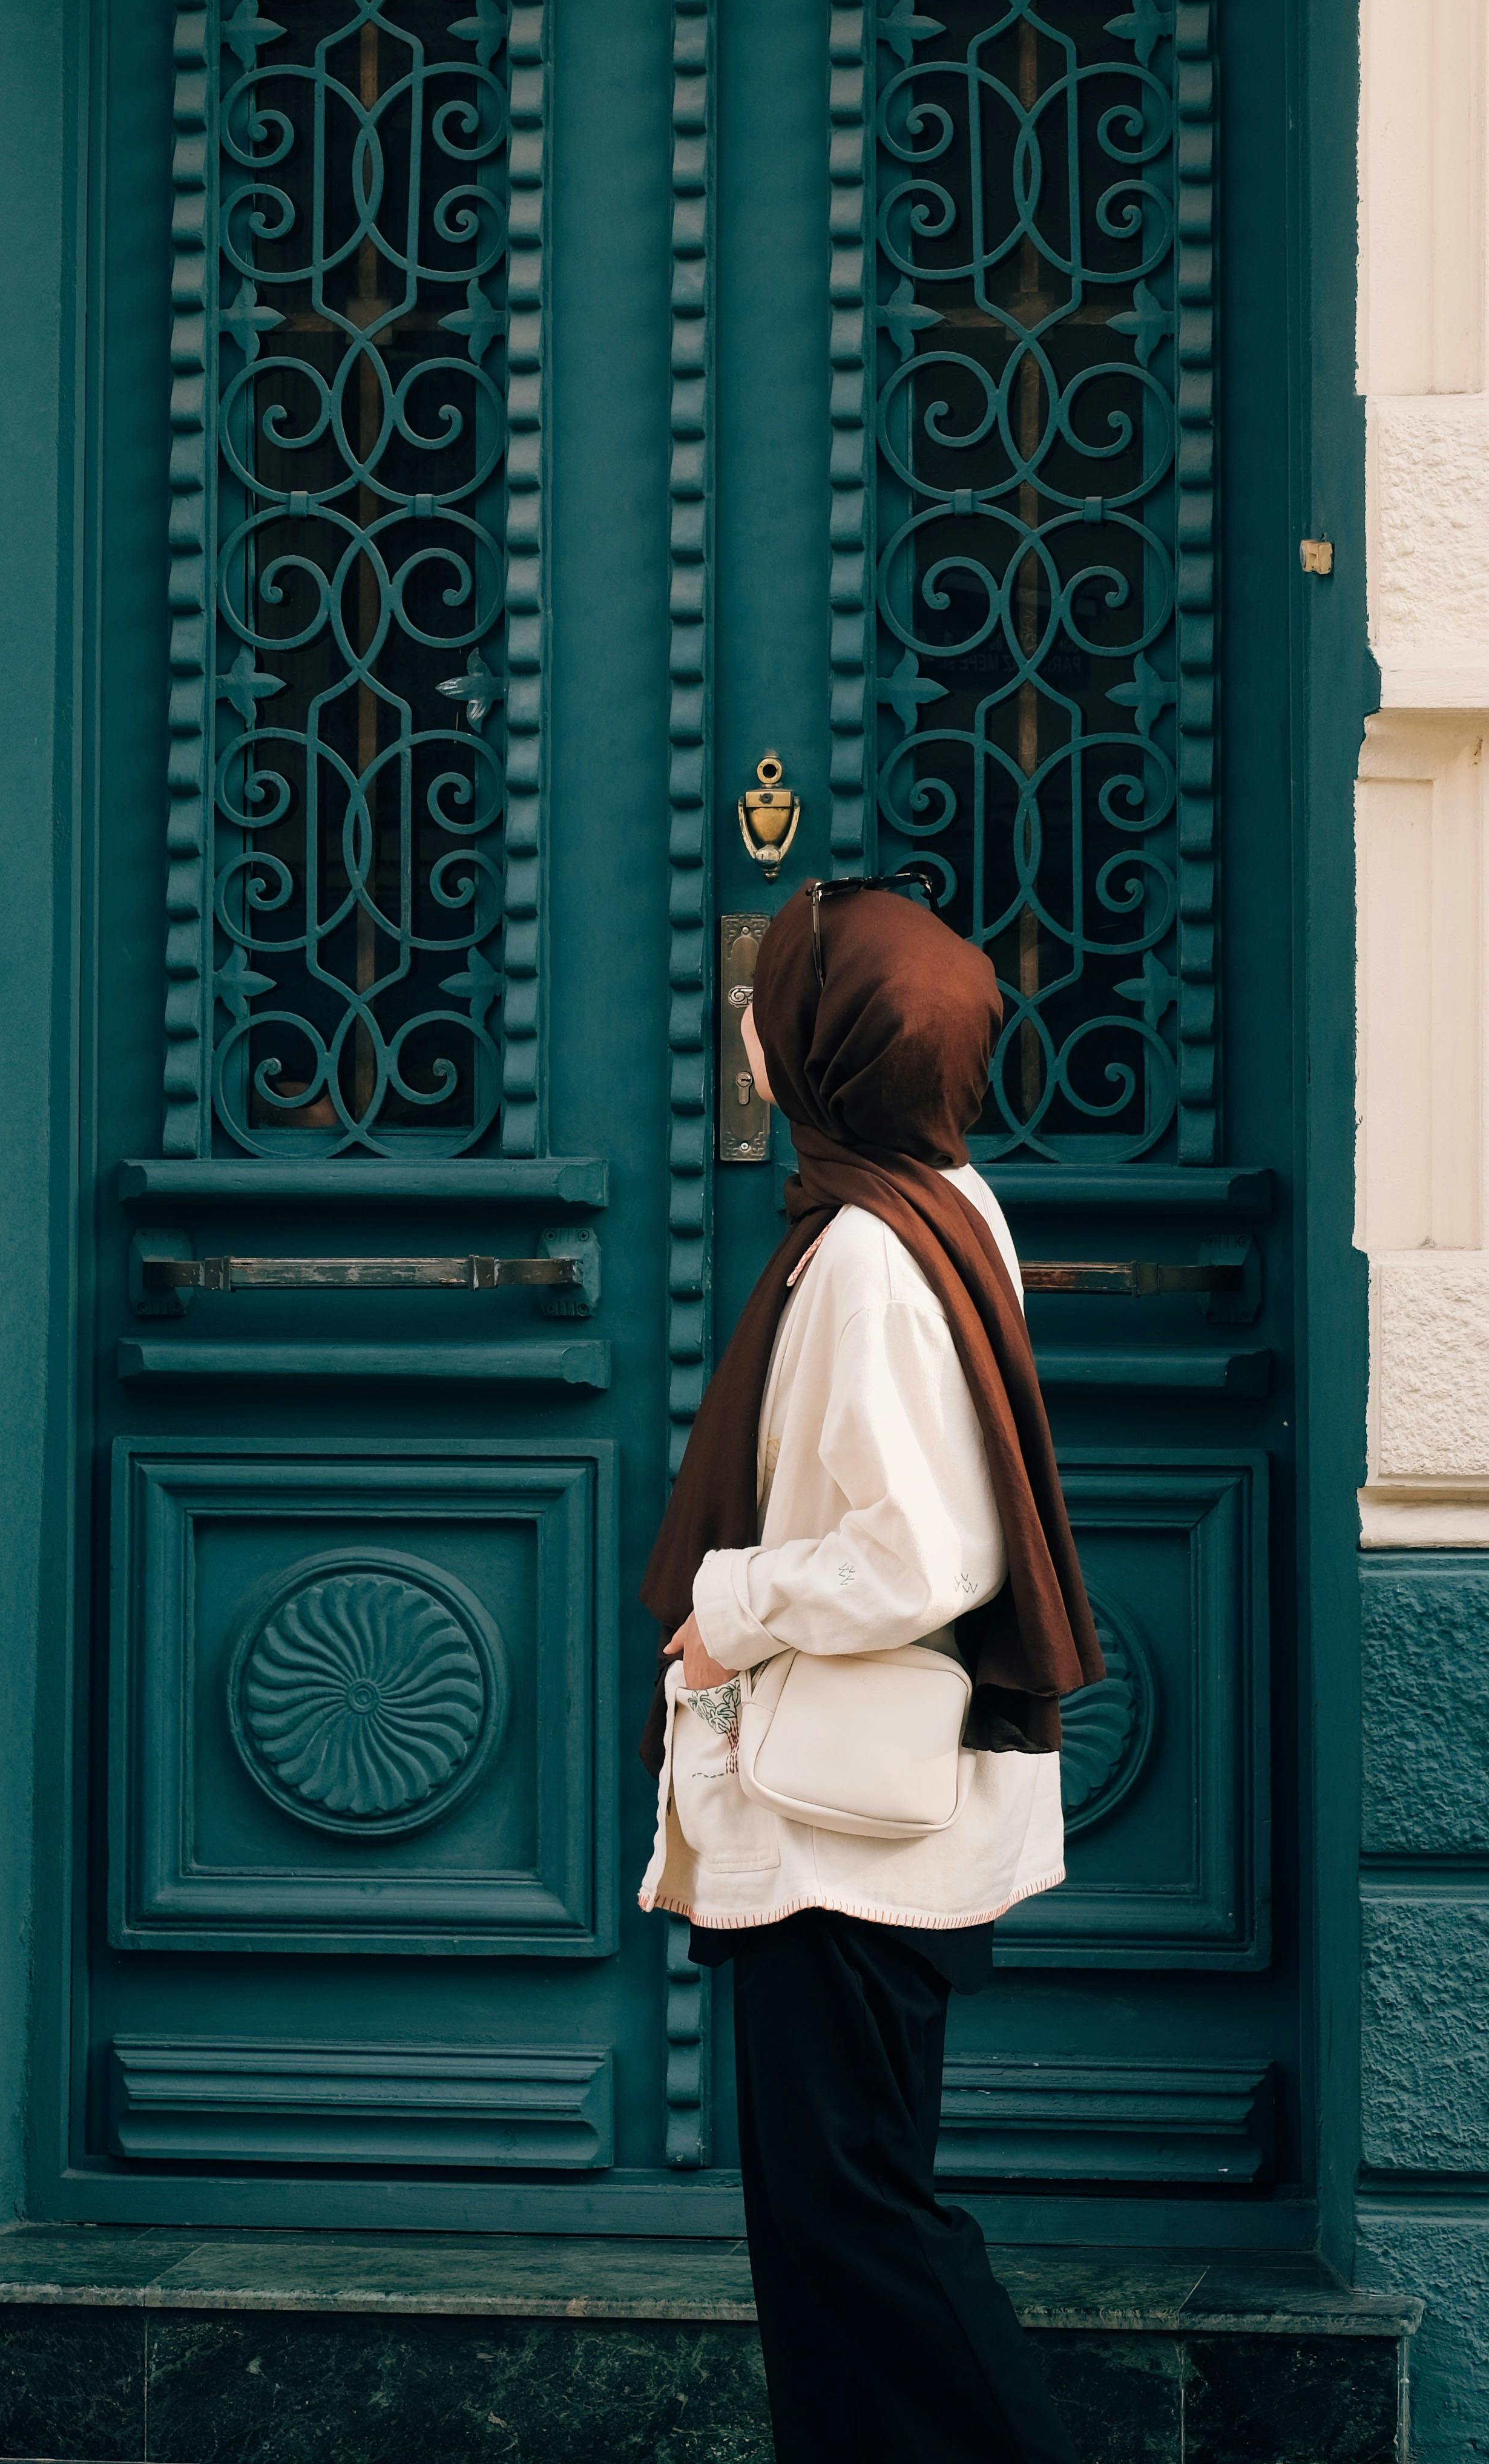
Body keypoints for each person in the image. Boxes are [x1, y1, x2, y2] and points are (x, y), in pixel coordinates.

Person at [638, 878, 1104, 2464]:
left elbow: (924, 1555)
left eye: (772, 1003)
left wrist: (737, 1601)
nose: (748, 1030)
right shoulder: (942, 1202)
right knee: (835, 2231)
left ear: (830, 1045)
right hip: (880, 1806)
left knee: (855, 2225)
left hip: (850, 1828)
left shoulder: (867, 1256)